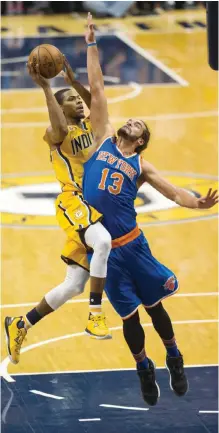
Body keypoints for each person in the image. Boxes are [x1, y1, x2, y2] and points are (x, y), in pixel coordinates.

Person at [82, 13, 219, 406]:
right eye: (132, 120)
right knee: (129, 318)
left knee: (155, 308)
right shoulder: (101, 141)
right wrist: (91, 42)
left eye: (139, 125)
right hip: (103, 251)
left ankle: (174, 357)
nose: (132, 121)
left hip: (132, 245)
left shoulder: (142, 166)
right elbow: (97, 88)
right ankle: (144, 368)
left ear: (141, 142)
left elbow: (177, 195)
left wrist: (200, 202)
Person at [4, 56, 113, 366]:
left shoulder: (91, 128)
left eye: (80, 100)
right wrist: (47, 90)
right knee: (103, 242)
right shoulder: (59, 135)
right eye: (73, 101)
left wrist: (74, 82)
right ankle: (95, 314)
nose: (80, 103)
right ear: (61, 108)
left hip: (93, 206)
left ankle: (20, 324)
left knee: (74, 284)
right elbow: (57, 123)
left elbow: (98, 103)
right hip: (73, 202)